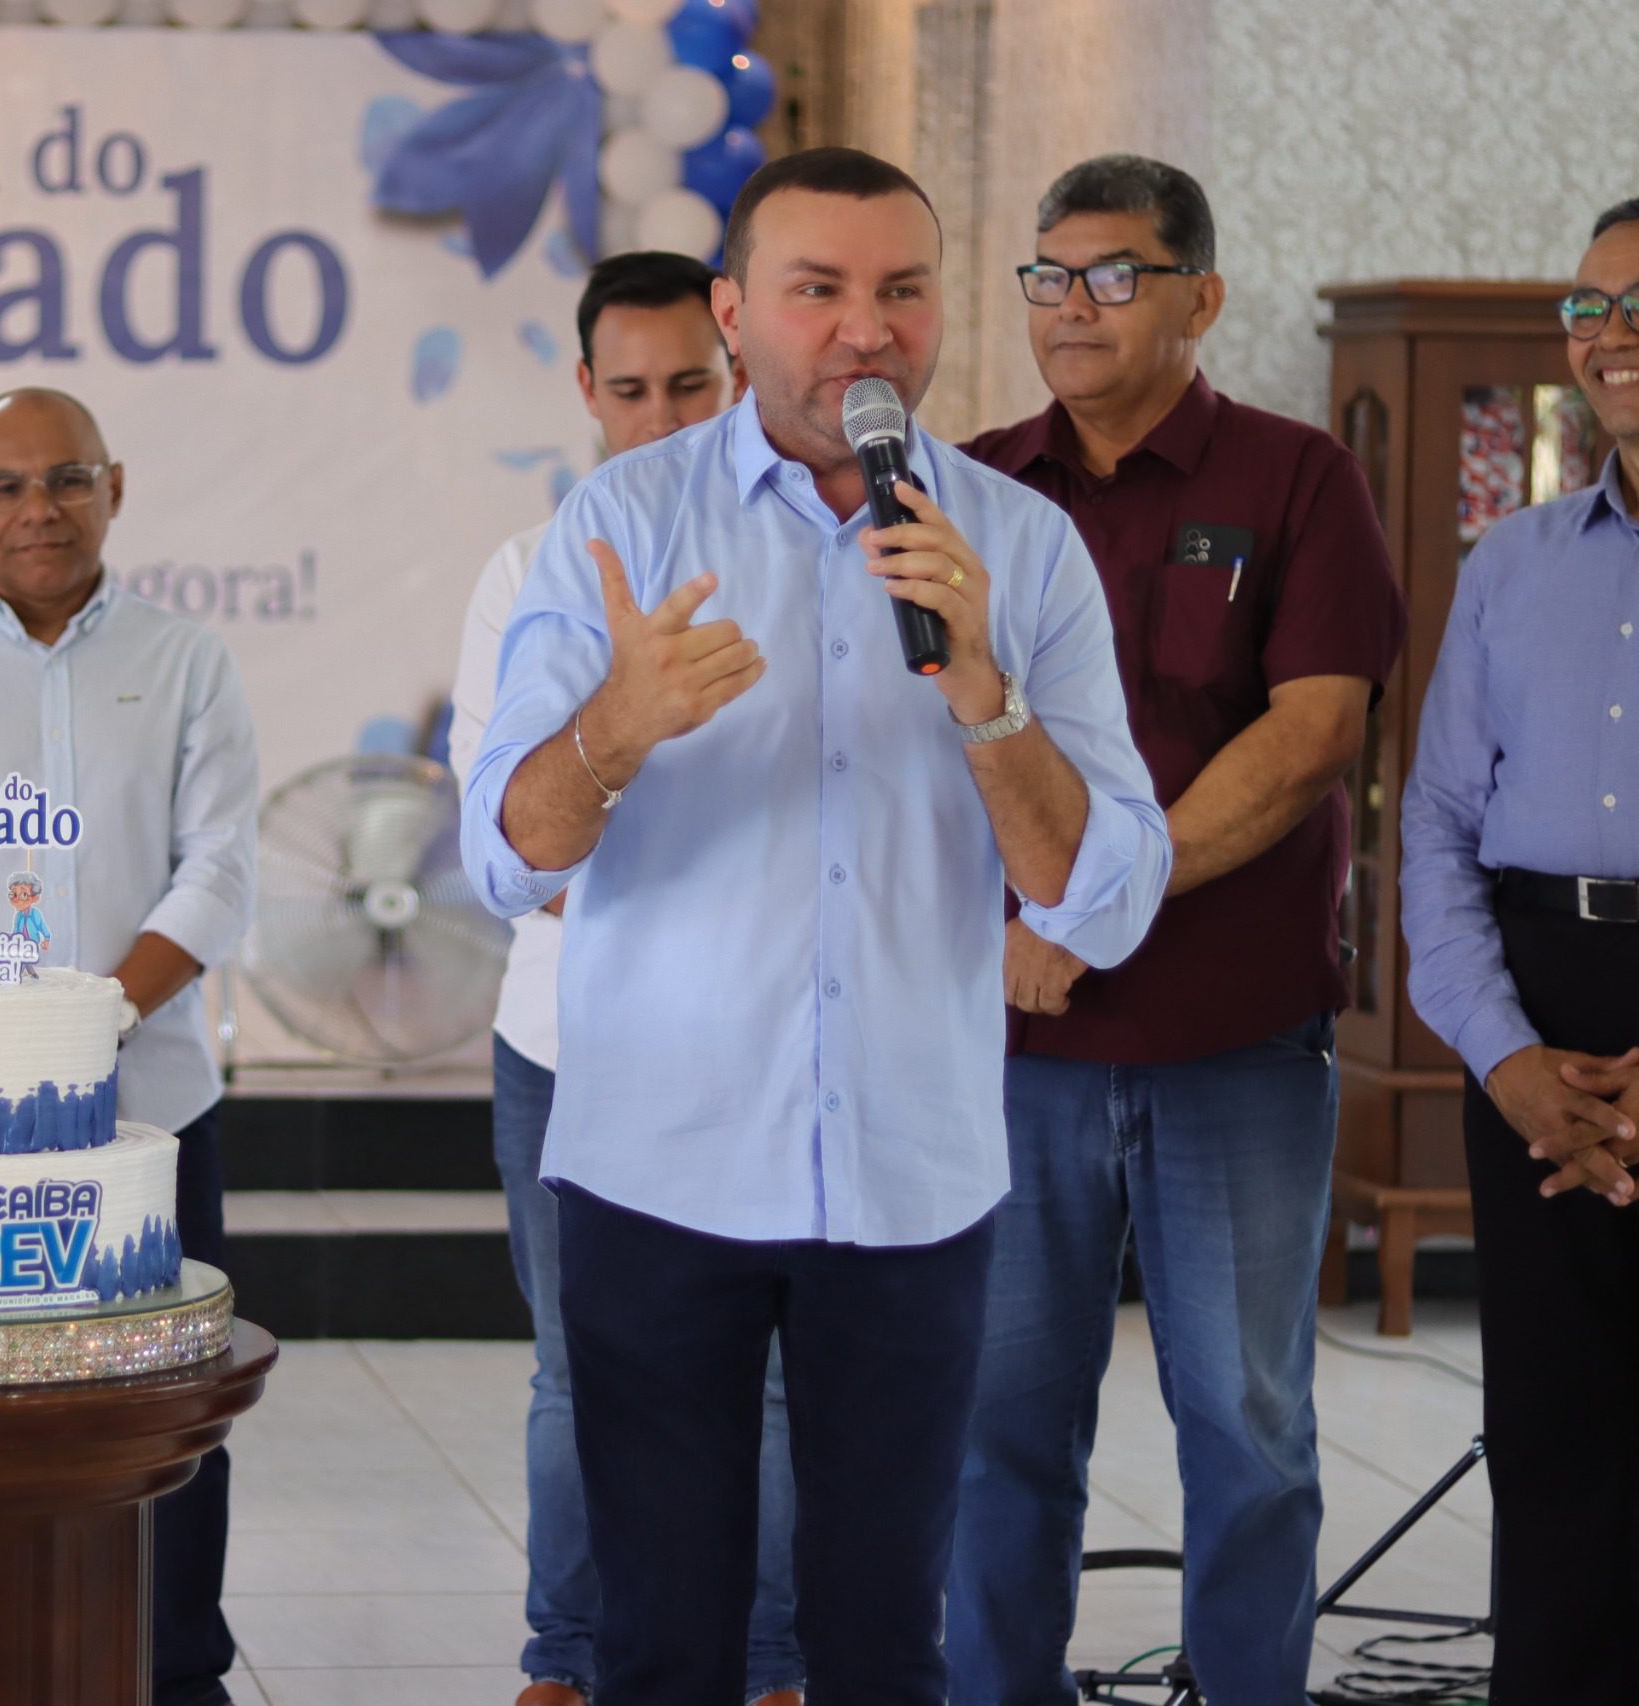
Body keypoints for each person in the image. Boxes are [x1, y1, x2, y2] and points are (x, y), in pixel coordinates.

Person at [459, 148, 1171, 1706]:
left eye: (902, 290)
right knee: (662, 1647)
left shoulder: (1019, 549)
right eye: (818, 290)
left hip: (911, 1182)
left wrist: (984, 692)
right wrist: (610, 731)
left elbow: (1105, 897)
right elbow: (503, 856)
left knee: (877, 1650)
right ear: (735, 312)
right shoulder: (624, 523)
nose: (866, 331)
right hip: (661, 1166)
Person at [945, 155, 1406, 1705]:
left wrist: (1088, 906)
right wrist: (1042, 928)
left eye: (1115, 275)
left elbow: (1310, 734)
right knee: (999, 1429)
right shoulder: (971, 488)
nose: (1072, 308)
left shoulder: (1294, 480)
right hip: (1016, 1047)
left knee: (1250, 1425)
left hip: (1235, 1044)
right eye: (1047, 275)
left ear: (1200, 297)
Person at [0, 388, 257, 1706]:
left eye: (67, 479)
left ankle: (175, 1670)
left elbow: (219, 877)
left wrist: (100, 1019)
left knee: (167, 1407)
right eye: (8, 486)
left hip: (155, 1109)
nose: (40, 509)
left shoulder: (189, 660)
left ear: (116, 487)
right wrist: (6, 1046)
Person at [447, 250, 804, 1706]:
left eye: (692, 387)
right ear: (585, 394)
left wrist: (609, 801)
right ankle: (569, 1662)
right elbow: (520, 846)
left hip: (762, 1044)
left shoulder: (807, 561)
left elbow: (819, 845)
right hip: (566, 1044)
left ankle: (776, 1668)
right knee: (574, 1373)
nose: (662, 420)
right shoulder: (526, 577)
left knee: (769, 1381)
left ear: (735, 375)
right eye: (633, 390)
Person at [1402, 197, 1639, 1705]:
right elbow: (1431, 825)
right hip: (1539, 1017)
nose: (1610, 333)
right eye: (1589, 304)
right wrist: (1501, 1053)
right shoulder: (1514, 562)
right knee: (1554, 1430)